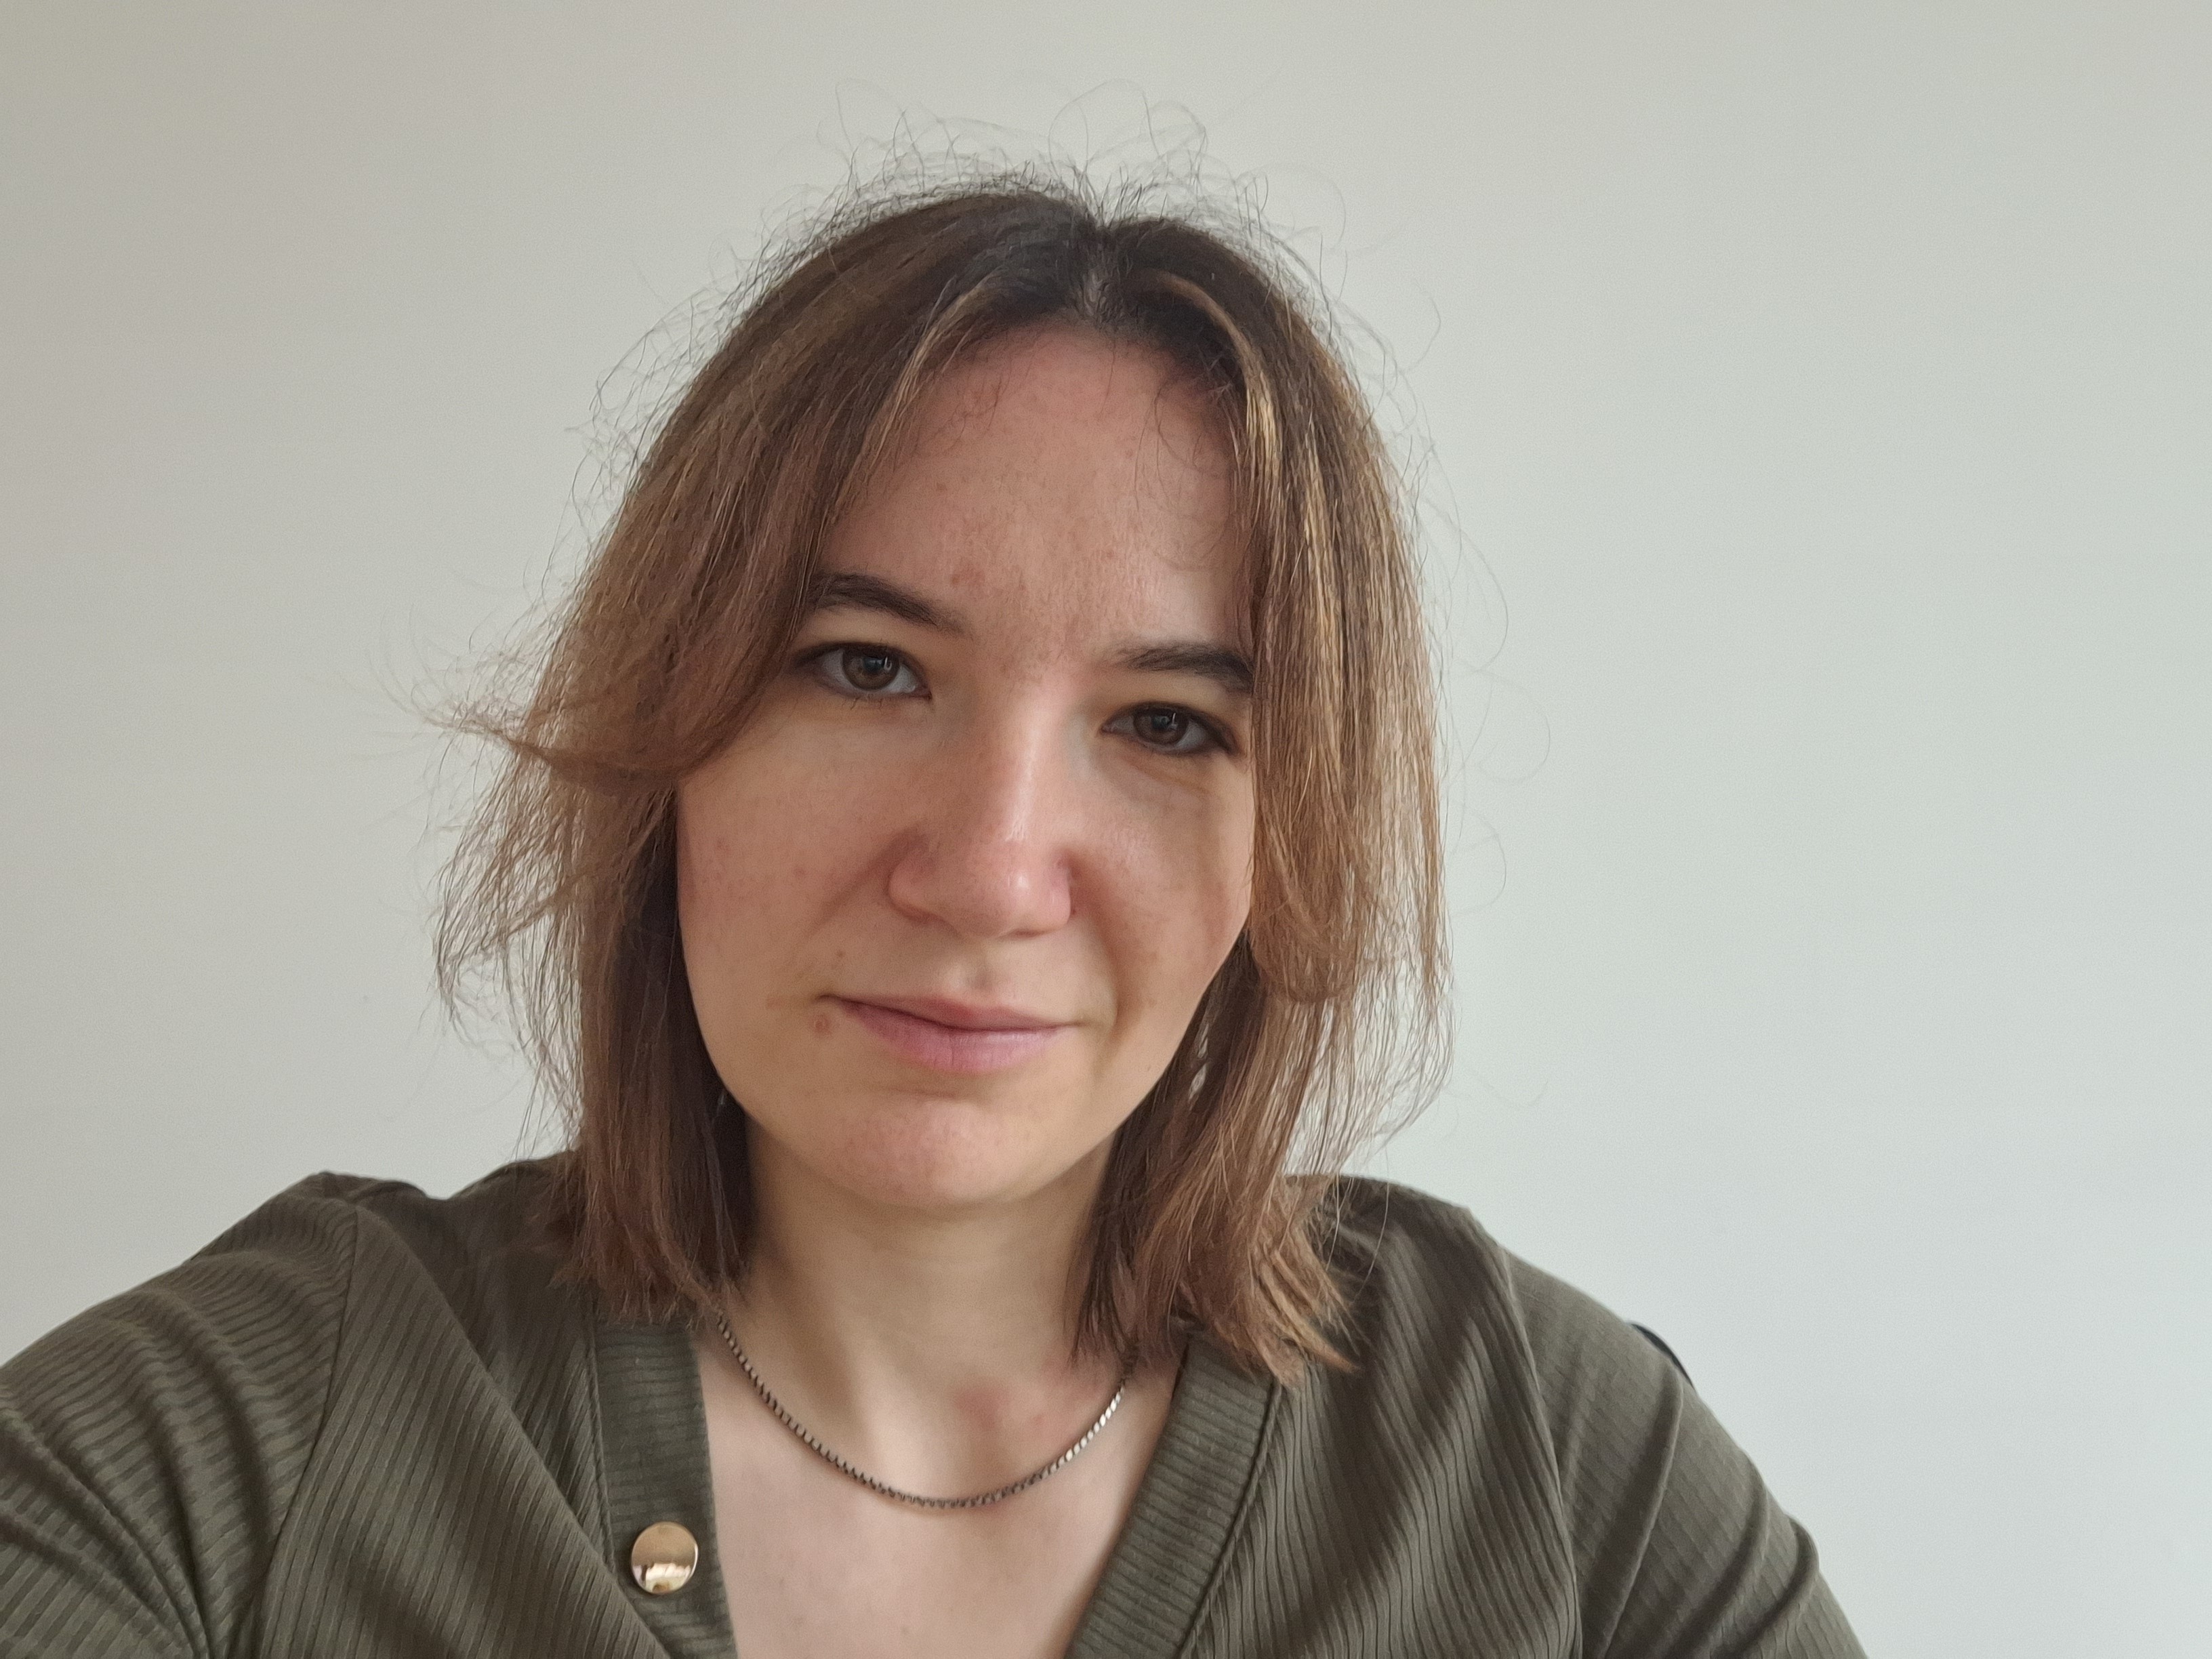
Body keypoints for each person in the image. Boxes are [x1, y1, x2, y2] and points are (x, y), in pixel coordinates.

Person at [0, 173, 1864, 1658]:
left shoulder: (1548, 1458)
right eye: (865, 668)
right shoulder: (221, 1452)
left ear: (1285, 842)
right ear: (673, 732)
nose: (988, 868)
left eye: (1166, 723)